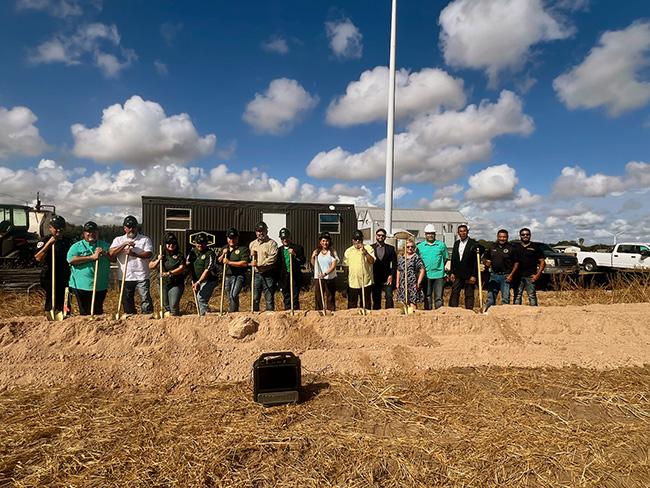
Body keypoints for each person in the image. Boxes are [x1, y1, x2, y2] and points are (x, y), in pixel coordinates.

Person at [109, 215, 154, 314]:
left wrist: (133, 253)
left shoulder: (145, 239)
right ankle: (130, 319)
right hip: (125, 276)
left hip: (141, 275)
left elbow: (149, 254)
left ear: (137, 227)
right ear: (124, 228)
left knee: (145, 299)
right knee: (127, 300)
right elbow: (111, 253)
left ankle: (148, 317)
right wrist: (124, 244)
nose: (131, 229)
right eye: (128, 227)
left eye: (133, 227)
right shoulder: (118, 240)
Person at [67, 221, 113, 315]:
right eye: (88, 232)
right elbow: (71, 260)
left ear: (98, 233)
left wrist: (105, 253)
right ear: (84, 234)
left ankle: (95, 329)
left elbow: (113, 258)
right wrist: (91, 257)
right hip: (81, 286)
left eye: (94, 231)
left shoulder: (104, 245)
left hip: (100, 286)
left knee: (98, 311)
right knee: (85, 312)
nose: (91, 234)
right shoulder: (77, 246)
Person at [34, 215, 72, 315]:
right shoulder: (44, 240)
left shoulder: (68, 241)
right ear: (50, 228)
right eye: (56, 227)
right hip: (50, 274)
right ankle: (50, 315)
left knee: (65, 297)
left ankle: (65, 315)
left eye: (61, 227)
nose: (59, 230)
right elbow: (38, 257)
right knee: (51, 297)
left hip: (64, 274)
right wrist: (49, 244)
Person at [149, 233, 185, 316]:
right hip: (163, 283)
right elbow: (151, 266)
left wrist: (169, 273)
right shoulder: (161, 254)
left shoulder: (179, 255)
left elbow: (181, 268)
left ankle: (174, 321)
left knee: (173, 306)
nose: (171, 245)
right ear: (165, 244)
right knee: (165, 306)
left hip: (176, 284)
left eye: (173, 243)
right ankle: (166, 323)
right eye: (169, 243)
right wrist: (158, 260)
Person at [484, 229, 519, 310]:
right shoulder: (492, 247)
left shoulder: (511, 248)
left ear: (507, 237)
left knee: (505, 298)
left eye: (504, 237)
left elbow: (516, 263)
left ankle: (504, 315)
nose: (502, 238)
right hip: (493, 275)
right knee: (490, 298)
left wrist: (511, 275)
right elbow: (485, 258)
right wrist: (486, 262)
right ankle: (487, 314)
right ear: (497, 237)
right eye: (500, 237)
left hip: (506, 276)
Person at [416, 224, 449, 310]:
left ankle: (439, 314)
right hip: (426, 276)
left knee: (438, 297)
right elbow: (416, 260)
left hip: (439, 275)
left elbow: (445, 258)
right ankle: (428, 313)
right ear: (425, 234)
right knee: (427, 296)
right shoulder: (420, 247)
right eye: (428, 233)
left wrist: (439, 267)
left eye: (432, 233)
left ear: (435, 234)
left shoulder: (441, 245)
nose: (430, 235)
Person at [218, 227, 250, 312]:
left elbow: (244, 263)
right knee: (229, 296)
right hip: (227, 276)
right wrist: (223, 255)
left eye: (234, 238)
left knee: (234, 294)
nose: (232, 240)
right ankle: (233, 311)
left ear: (237, 238)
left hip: (239, 276)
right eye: (230, 238)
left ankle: (233, 313)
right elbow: (219, 261)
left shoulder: (243, 249)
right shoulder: (225, 248)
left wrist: (229, 262)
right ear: (227, 238)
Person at [449, 224, 481, 310]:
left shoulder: (473, 244)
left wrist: (474, 275)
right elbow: (453, 259)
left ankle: (469, 311)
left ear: (467, 232)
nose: (462, 233)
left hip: (469, 274)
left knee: (469, 294)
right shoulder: (456, 244)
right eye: (461, 231)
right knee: (455, 292)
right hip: (458, 273)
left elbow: (476, 262)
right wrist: (452, 272)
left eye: (464, 231)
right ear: (458, 233)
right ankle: (453, 310)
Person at [186, 232, 218, 315]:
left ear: (206, 243)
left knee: (201, 298)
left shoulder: (210, 254)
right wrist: (193, 279)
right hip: (196, 280)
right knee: (198, 299)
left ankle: (204, 317)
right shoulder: (192, 252)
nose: (200, 245)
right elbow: (188, 263)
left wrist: (198, 282)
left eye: (202, 243)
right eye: (198, 243)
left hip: (209, 280)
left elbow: (207, 270)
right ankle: (203, 314)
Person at [249, 221, 278, 311]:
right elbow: (251, 259)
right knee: (255, 298)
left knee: (269, 298)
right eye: (258, 231)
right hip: (256, 274)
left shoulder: (272, 244)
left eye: (262, 230)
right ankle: (255, 316)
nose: (260, 233)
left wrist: (259, 264)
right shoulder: (252, 244)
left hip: (268, 274)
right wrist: (252, 258)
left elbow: (273, 258)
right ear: (256, 232)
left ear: (266, 231)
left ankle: (270, 318)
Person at [513, 228, 545, 306]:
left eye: (527, 234)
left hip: (530, 276)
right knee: (517, 295)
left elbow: (542, 262)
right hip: (518, 276)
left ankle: (534, 313)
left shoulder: (535, 247)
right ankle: (516, 313)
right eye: (523, 235)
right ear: (520, 236)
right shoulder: (515, 247)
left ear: (530, 235)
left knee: (532, 295)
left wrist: (538, 274)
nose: (525, 236)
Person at [344, 230, 375, 309]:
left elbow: (371, 261)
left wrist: (365, 252)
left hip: (365, 282)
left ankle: (366, 318)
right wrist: (345, 280)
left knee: (366, 303)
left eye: (359, 239)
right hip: (353, 281)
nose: (357, 241)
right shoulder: (348, 251)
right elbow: (346, 266)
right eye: (355, 239)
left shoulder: (369, 248)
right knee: (352, 303)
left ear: (362, 239)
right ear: (352, 240)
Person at [276, 228, 306, 310]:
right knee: (286, 296)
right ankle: (288, 311)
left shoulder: (298, 248)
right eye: (282, 238)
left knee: (295, 296)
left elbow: (302, 261)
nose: (285, 240)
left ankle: (295, 313)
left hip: (295, 276)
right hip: (284, 277)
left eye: (286, 237)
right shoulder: (279, 250)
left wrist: (294, 254)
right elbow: (278, 266)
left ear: (290, 237)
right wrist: (278, 280)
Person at [311, 231, 339, 311]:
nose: (325, 243)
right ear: (320, 242)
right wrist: (313, 257)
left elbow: (333, 266)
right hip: (318, 277)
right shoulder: (317, 251)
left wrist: (325, 273)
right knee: (318, 296)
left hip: (329, 278)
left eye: (326, 241)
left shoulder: (332, 252)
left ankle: (331, 311)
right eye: (323, 241)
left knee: (330, 296)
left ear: (329, 241)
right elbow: (314, 264)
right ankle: (319, 311)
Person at [370, 228, 397, 309]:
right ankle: (377, 315)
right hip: (375, 278)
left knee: (389, 297)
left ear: (385, 237)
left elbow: (395, 264)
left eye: (382, 235)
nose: (380, 237)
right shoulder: (371, 248)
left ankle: (390, 314)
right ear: (376, 236)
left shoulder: (390, 249)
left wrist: (391, 275)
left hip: (387, 278)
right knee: (376, 298)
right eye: (379, 235)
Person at [396, 238, 425, 309]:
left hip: (412, 283)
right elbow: (398, 270)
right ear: (404, 247)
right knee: (404, 303)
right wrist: (397, 282)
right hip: (403, 283)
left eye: (412, 246)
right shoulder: (401, 258)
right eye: (408, 247)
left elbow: (422, 270)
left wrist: (418, 283)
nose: (410, 248)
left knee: (412, 303)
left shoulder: (416, 257)